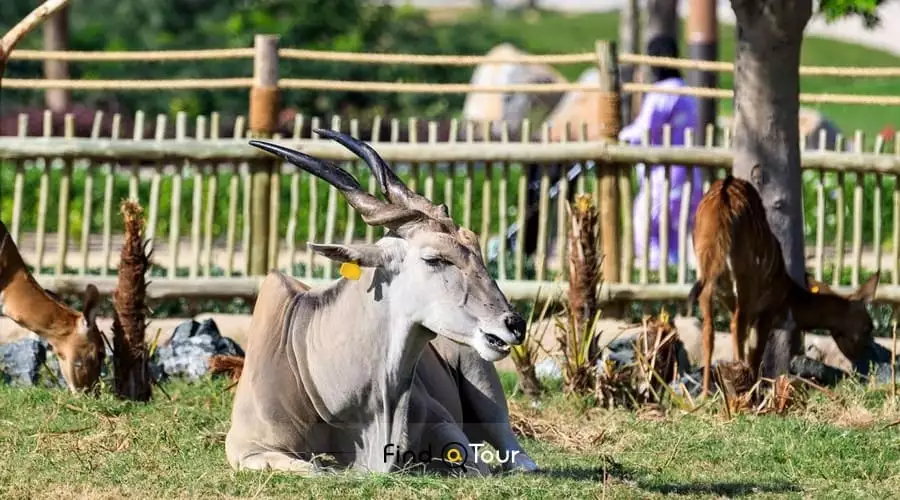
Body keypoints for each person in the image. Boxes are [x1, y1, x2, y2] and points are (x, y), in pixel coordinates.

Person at [619, 35, 705, 271]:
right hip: (689, 177)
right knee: (675, 236)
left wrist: (619, 138)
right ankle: (675, 276)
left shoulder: (661, 93)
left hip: (663, 179)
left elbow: (644, 130)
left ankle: (656, 276)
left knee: (644, 227)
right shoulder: (687, 92)